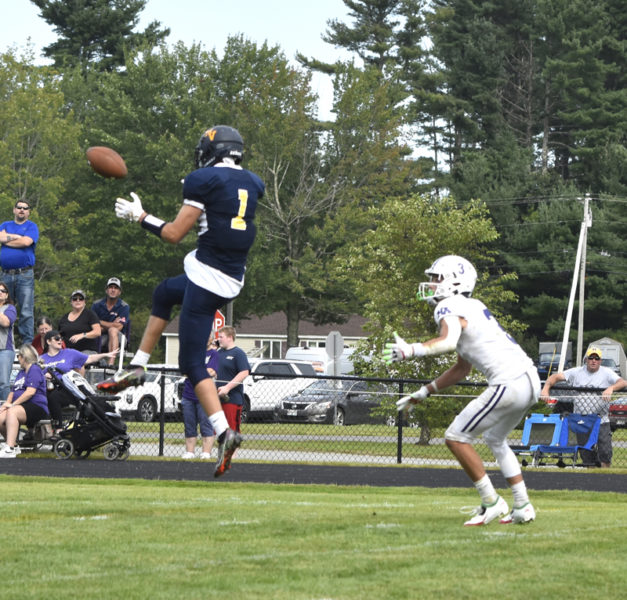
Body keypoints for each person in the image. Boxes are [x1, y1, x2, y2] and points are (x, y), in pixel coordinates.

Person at [97, 125, 264, 478]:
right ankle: (139, 367)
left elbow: (173, 233)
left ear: (212, 151)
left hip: (208, 278)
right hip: (228, 274)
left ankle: (225, 433)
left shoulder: (204, 179)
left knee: (192, 364)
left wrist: (140, 217)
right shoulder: (252, 181)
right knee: (164, 292)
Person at [383, 255, 540, 526]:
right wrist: (425, 391)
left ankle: (491, 501)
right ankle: (522, 504)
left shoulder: (450, 305)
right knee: (495, 439)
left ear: (453, 282)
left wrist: (411, 350)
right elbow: (461, 369)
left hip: (509, 381)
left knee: (456, 437)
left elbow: (446, 341)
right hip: (529, 379)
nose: (431, 284)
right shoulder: (472, 306)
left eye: (436, 278)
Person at [541, 346, 627, 468]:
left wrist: (611, 388)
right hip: (582, 420)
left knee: (605, 453)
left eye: (597, 358)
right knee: (586, 455)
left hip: (601, 420)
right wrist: (545, 388)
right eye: (591, 358)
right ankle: (591, 480)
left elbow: (623, 382)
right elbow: (555, 377)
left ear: (600, 361)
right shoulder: (576, 372)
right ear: (586, 359)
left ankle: (605, 479)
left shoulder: (607, 373)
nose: (593, 361)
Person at [40, 330, 118, 429]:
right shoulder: (41, 359)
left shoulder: (69, 353)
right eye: (56, 339)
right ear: (48, 342)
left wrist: (105, 355)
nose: (60, 340)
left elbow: (89, 358)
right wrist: (44, 376)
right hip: (48, 388)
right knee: (48, 395)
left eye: (61, 338)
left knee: (54, 396)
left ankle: (58, 428)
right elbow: (35, 375)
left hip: (66, 388)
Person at [0, 200, 39, 345]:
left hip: (25, 275)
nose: (22, 210)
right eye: (19, 207)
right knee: (3, 309)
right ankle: (3, 344)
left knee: (26, 312)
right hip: (5, 274)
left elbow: (26, 243)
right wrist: (17, 237)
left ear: (28, 211)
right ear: (14, 210)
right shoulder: (5, 225)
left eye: (25, 208)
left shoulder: (32, 226)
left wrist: (8, 239)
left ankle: (26, 346)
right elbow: (0, 237)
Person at [0, 344, 48, 458]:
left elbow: (30, 392)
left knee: (12, 412)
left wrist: (12, 405)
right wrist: (6, 404)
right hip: (21, 406)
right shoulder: (21, 372)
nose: (17, 358)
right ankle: (13, 445)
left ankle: (10, 448)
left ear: (24, 356)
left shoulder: (34, 369)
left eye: (18, 356)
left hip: (36, 406)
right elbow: (13, 391)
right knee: (1, 416)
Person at [180, 336, 219, 459]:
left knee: (206, 425)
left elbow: (211, 371)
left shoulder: (214, 354)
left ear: (212, 338)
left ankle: (206, 453)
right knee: (189, 425)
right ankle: (190, 452)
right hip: (188, 395)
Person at [215, 326, 250, 433]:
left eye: (221, 337)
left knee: (231, 432)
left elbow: (244, 372)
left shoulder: (238, 353)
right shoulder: (218, 352)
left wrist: (227, 388)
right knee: (216, 431)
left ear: (230, 337)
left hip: (232, 399)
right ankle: (221, 450)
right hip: (216, 399)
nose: (219, 339)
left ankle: (232, 450)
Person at [91, 277, 130, 366]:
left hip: (120, 338)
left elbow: (119, 327)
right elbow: (92, 325)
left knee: (112, 330)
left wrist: (99, 321)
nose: (113, 290)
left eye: (116, 288)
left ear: (119, 292)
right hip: (100, 336)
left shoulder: (124, 306)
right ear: (106, 290)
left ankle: (111, 363)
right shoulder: (96, 305)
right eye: (111, 287)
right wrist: (112, 324)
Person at [58, 289, 101, 354]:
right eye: (75, 299)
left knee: (77, 360)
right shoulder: (64, 318)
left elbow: (97, 332)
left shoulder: (90, 314)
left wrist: (82, 335)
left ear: (84, 302)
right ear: (71, 302)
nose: (78, 300)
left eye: (81, 298)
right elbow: (59, 335)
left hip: (87, 351)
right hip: (68, 352)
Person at [0, 283, 17, 401]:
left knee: (3, 383)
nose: (0, 292)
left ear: (7, 295)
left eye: (3, 291)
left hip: (4, 350)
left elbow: (6, 323)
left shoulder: (10, 308)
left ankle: (5, 412)